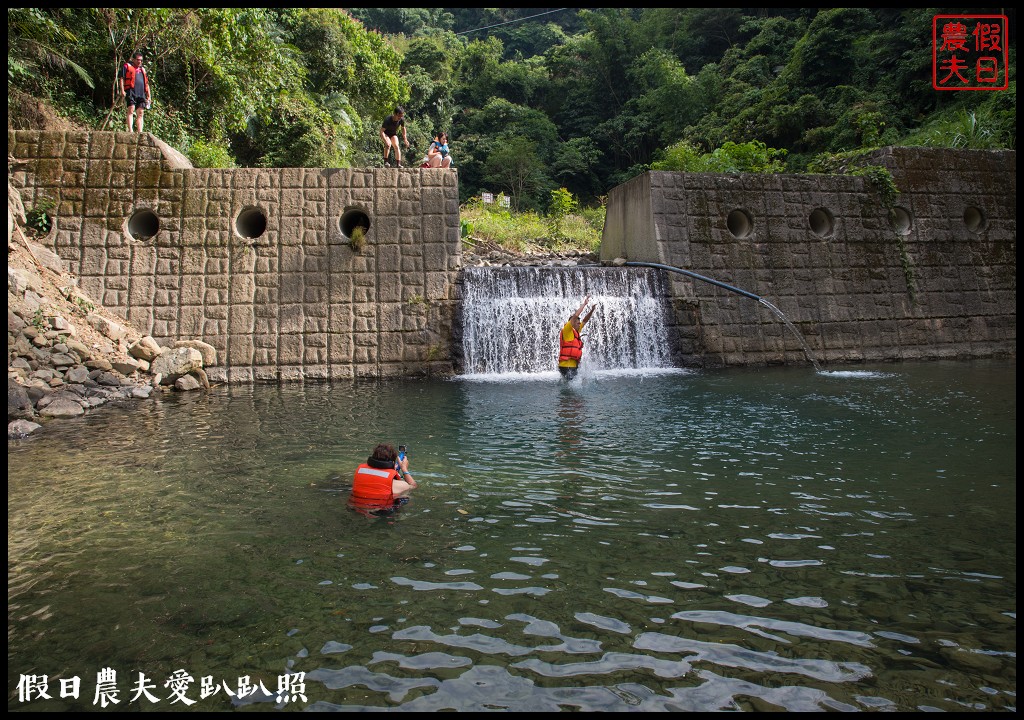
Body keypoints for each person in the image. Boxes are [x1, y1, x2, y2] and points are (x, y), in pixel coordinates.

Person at [349, 443, 417, 513]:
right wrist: (404, 468)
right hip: (380, 513)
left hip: (355, 508)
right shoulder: (398, 485)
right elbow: (413, 486)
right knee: (407, 497)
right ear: (392, 463)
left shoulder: (360, 472)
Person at [557, 295, 597, 380]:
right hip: (566, 366)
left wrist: (592, 310)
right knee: (572, 388)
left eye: (579, 323)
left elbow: (585, 320)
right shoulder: (567, 330)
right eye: (578, 323)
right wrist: (584, 304)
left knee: (575, 384)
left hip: (572, 366)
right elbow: (575, 315)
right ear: (572, 323)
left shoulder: (576, 331)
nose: (580, 324)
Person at [118, 51, 151, 133]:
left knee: (140, 112)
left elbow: (146, 83)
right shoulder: (127, 66)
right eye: (138, 60)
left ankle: (140, 131)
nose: (139, 62)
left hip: (141, 93)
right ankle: (130, 130)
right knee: (131, 109)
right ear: (133, 59)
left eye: (141, 60)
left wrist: (149, 95)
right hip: (131, 91)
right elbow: (121, 78)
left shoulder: (142, 69)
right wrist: (122, 90)